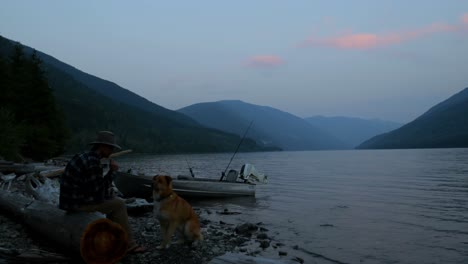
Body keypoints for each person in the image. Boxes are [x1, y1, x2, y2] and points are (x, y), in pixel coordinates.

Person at [59, 131, 146, 254]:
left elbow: (93, 188)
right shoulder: (93, 163)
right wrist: (112, 172)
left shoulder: (84, 156)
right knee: (119, 204)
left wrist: (108, 195)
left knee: (112, 200)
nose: (112, 151)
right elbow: (96, 194)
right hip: (76, 205)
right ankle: (129, 245)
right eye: (110, 148)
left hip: (69, 202)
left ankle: (112, 237)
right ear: (102, 146)